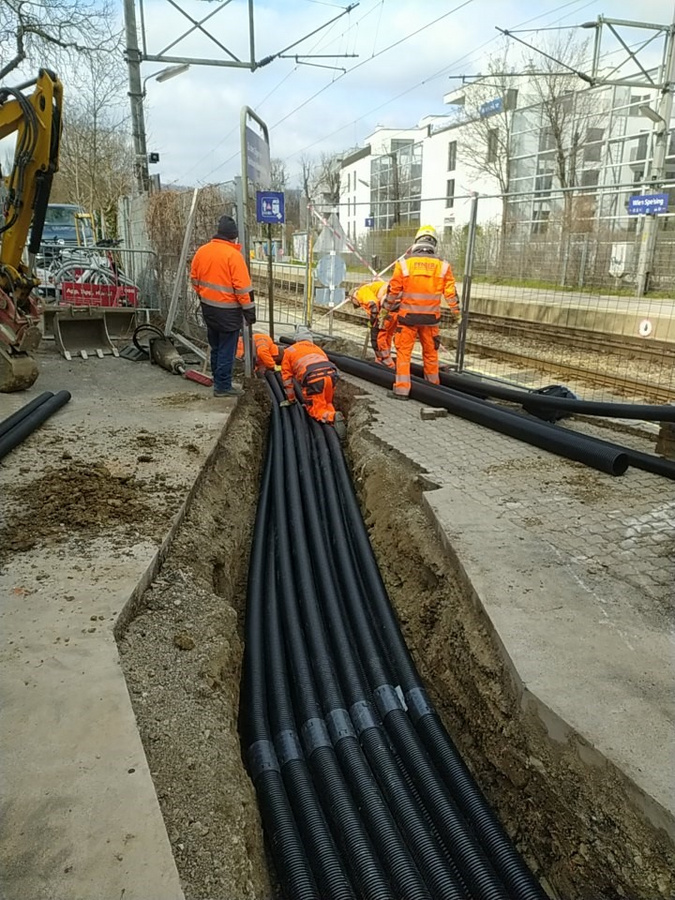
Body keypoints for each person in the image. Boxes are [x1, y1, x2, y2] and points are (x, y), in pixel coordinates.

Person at [383, 225, 459, 400]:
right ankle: (433, 391)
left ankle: (402, 391)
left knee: (403, 354)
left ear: (416, 242)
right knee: (431, 354)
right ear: (434, 243)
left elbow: (393, 292)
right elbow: (450, 292)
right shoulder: (443, 266)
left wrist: (384, 311)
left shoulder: (403, 264)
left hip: (407, 318)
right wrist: (457, 312)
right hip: (431, 319)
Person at [190, 215, 255, 397]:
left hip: (208, 308)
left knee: (216, 345)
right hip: (228, 311)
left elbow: (194, 279)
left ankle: (217, 379)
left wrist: (204, 295)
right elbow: (243, 288)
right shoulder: (233, 256)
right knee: (227, 348)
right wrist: (249, 311)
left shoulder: (202, 251)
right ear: (233, 237)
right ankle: (223, 386)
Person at [279, 340, 345, 435]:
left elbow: (287, 380)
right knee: (327, 402)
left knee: (314, 409)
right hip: (331, 375)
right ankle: (335, 422)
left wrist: (291, 399)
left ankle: (332, 417)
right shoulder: (314, 347)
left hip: (314, 378)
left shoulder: (288, 353)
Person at [349, 279, 397, 369]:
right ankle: (385, 360)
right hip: (396, 306)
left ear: (353, 297)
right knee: (387, 336)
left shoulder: (360, 292)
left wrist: (373, 322)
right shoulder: (372, 288)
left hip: (388, 304)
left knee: (377, 337)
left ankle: (386, 364)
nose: (357, 304)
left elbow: (373, 305)